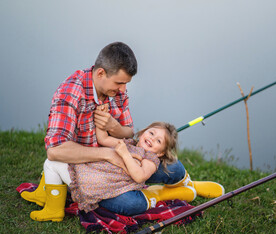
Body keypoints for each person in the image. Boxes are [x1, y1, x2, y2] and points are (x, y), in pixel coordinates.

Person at [21, 41, 224, 220]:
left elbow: (129, 133)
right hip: (93, 171)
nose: (123, 91)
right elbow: (55, 151)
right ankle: (161, 193)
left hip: (126, 163)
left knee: (174, 166)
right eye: (119, 83)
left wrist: (113, 127)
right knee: (131, 205)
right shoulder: (69, 94)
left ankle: (190, 185)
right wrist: (109, 154)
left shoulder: (117, 90)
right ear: (100, 73)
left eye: (126, 84)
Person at [29, 120, 197, 222]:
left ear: (160, 152)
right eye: (151, 132)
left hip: (99, 183)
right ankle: (44, 194)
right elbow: (104, 139)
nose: (152, 138)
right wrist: (102, 121)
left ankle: (53, 209)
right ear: (144, 131)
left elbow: (139, 176)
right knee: (54, 161)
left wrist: (124, 154)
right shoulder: (130, 143)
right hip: (96, 172)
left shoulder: (150, 160)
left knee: (52, 163)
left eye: (158, 140)